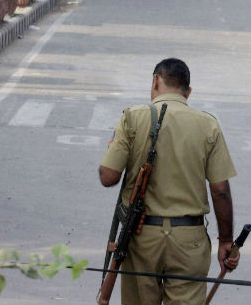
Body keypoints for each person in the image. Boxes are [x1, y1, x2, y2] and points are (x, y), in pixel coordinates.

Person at [99, 58, 239, 305]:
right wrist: (226, 240)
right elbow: (220, 191)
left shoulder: (133, 118)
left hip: (141, 236)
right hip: (189, 240)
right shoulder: (208, 124)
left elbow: (108, 176)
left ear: (155, 81)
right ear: (188, 92)